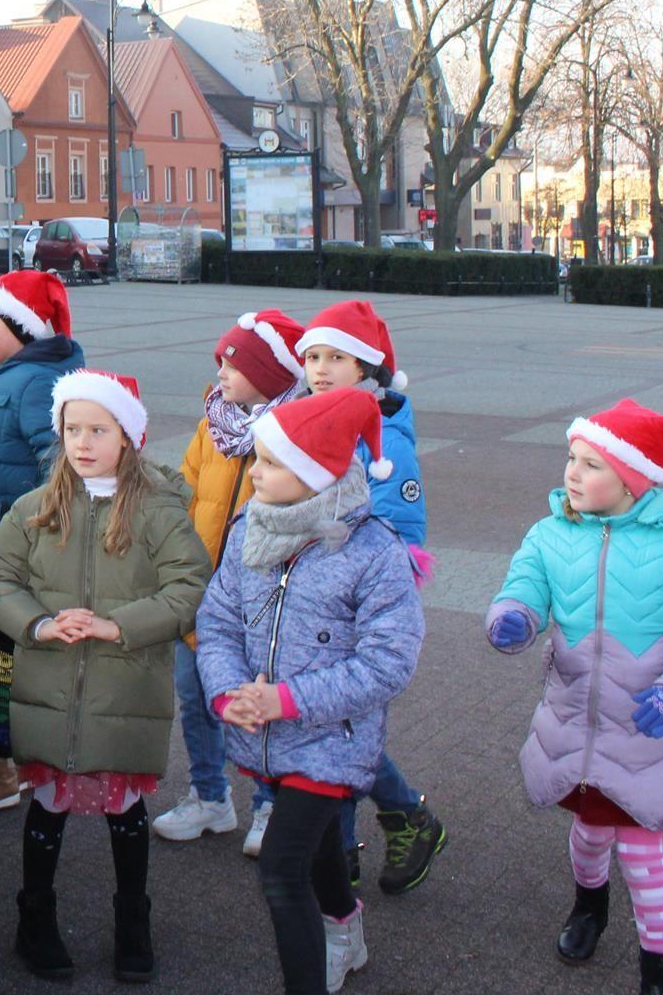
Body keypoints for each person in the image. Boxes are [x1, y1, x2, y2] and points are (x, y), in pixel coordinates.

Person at [486, 399, 663, 995]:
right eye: (570, 459)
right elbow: (523, 586)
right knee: (589, 835)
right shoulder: (549, 534)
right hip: (573, 723)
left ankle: (661, 974)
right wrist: (515, 616)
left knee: (643, 855)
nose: (572, 474)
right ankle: (589, 906)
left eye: (591, 464)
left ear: (631, 480)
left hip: (646, 730)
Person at [0, 369, 209, 983]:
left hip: (124, 688)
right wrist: (37, 624)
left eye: (98, 430)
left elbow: (188, 586)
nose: (82, 443)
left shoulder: (158, 509)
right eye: (72, 429)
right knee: (47, 806)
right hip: (48, 689)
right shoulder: (38, 506)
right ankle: (36, 917)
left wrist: (119, 624)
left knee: (125, 811)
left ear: (127, 435)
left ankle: (134, 918)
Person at [196, 387, 424, 995]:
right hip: (264, 733)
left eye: (270, 464)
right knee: (321, 841)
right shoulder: (252, 527)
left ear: (315, 474)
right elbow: (216, 621)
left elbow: (388, 662)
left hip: (332, 739)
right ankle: (345, 927)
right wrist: (228, 694)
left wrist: (286, 699)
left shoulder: (373, 551)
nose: (255, 474)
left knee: (280, 865)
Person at [295, 299, 446, 892]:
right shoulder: (309, 419)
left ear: (368, 368)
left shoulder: (384, 440)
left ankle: (349, 847)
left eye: (338, 357)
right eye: (313, 356)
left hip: (354, 609)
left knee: (336, 729)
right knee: (330, 727)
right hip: (309, 600)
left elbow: (400, 536)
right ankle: (397, 818)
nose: (322, 367)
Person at [154, 309, 305, 854]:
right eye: (220, 361)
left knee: (255, 707)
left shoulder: (292, 435)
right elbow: (188, 491)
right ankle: (210, 796)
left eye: (233, 364)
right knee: (195, 697)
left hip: (261, 600)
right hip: (199, 592)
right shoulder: (212, 423)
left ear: (267, 374)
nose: (220, 372)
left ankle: (268, 804)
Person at [0, 270, 84, 812]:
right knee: (0, 648)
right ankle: (16, 754)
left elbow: (60, 463)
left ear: (21, 326)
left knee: (4, 649)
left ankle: (8, 763)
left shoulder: (35, 382)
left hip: (20, 556)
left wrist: (35, 536)